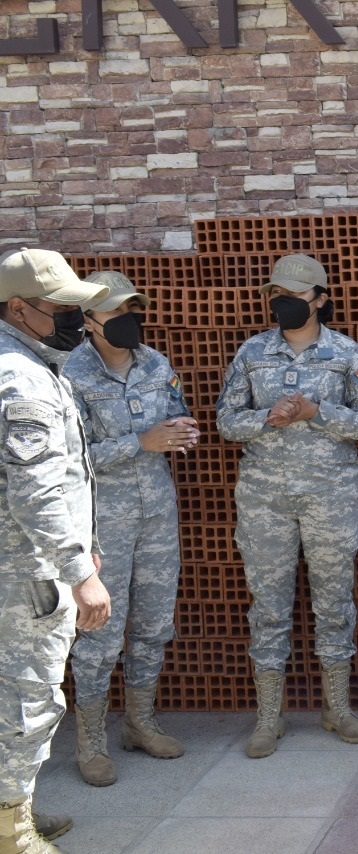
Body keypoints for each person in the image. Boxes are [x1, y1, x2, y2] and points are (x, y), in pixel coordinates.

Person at [216, 254, 358, 759]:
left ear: (319, 300)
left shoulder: (343, 353)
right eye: (277, 296)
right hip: (265, 499)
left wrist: (317, 412)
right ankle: (269, 716)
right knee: (268, 607)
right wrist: (266, 419)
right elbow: (225, 421)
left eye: (293, 296)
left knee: (333, 603)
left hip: (330, 498)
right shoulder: (252, 353)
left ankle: (337, 707)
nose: (283, 304)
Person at [62, 271, 199, 787]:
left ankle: (140, 723)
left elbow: (174, 414)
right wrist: (139, 442)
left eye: (132, 310)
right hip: (103, 525)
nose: (127, 321)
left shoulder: (156, 363)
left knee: (152, 624)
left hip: (158, 516)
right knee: (99, 634)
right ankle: (91, 742)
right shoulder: (70, 375)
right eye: (116, 313)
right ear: (90, 322)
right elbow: (69, 459)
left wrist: (180, 431)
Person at [0, 247, 112, 854]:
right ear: (20, 308)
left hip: (26, 565)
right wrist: (79, 569)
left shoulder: (29, 362)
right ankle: (12, 834)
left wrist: (84, 547)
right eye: (64, 307)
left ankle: (13, 811)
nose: (78, 319)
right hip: (29, 575)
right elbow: (37, 490)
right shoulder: (21, 377)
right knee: (28, 698)